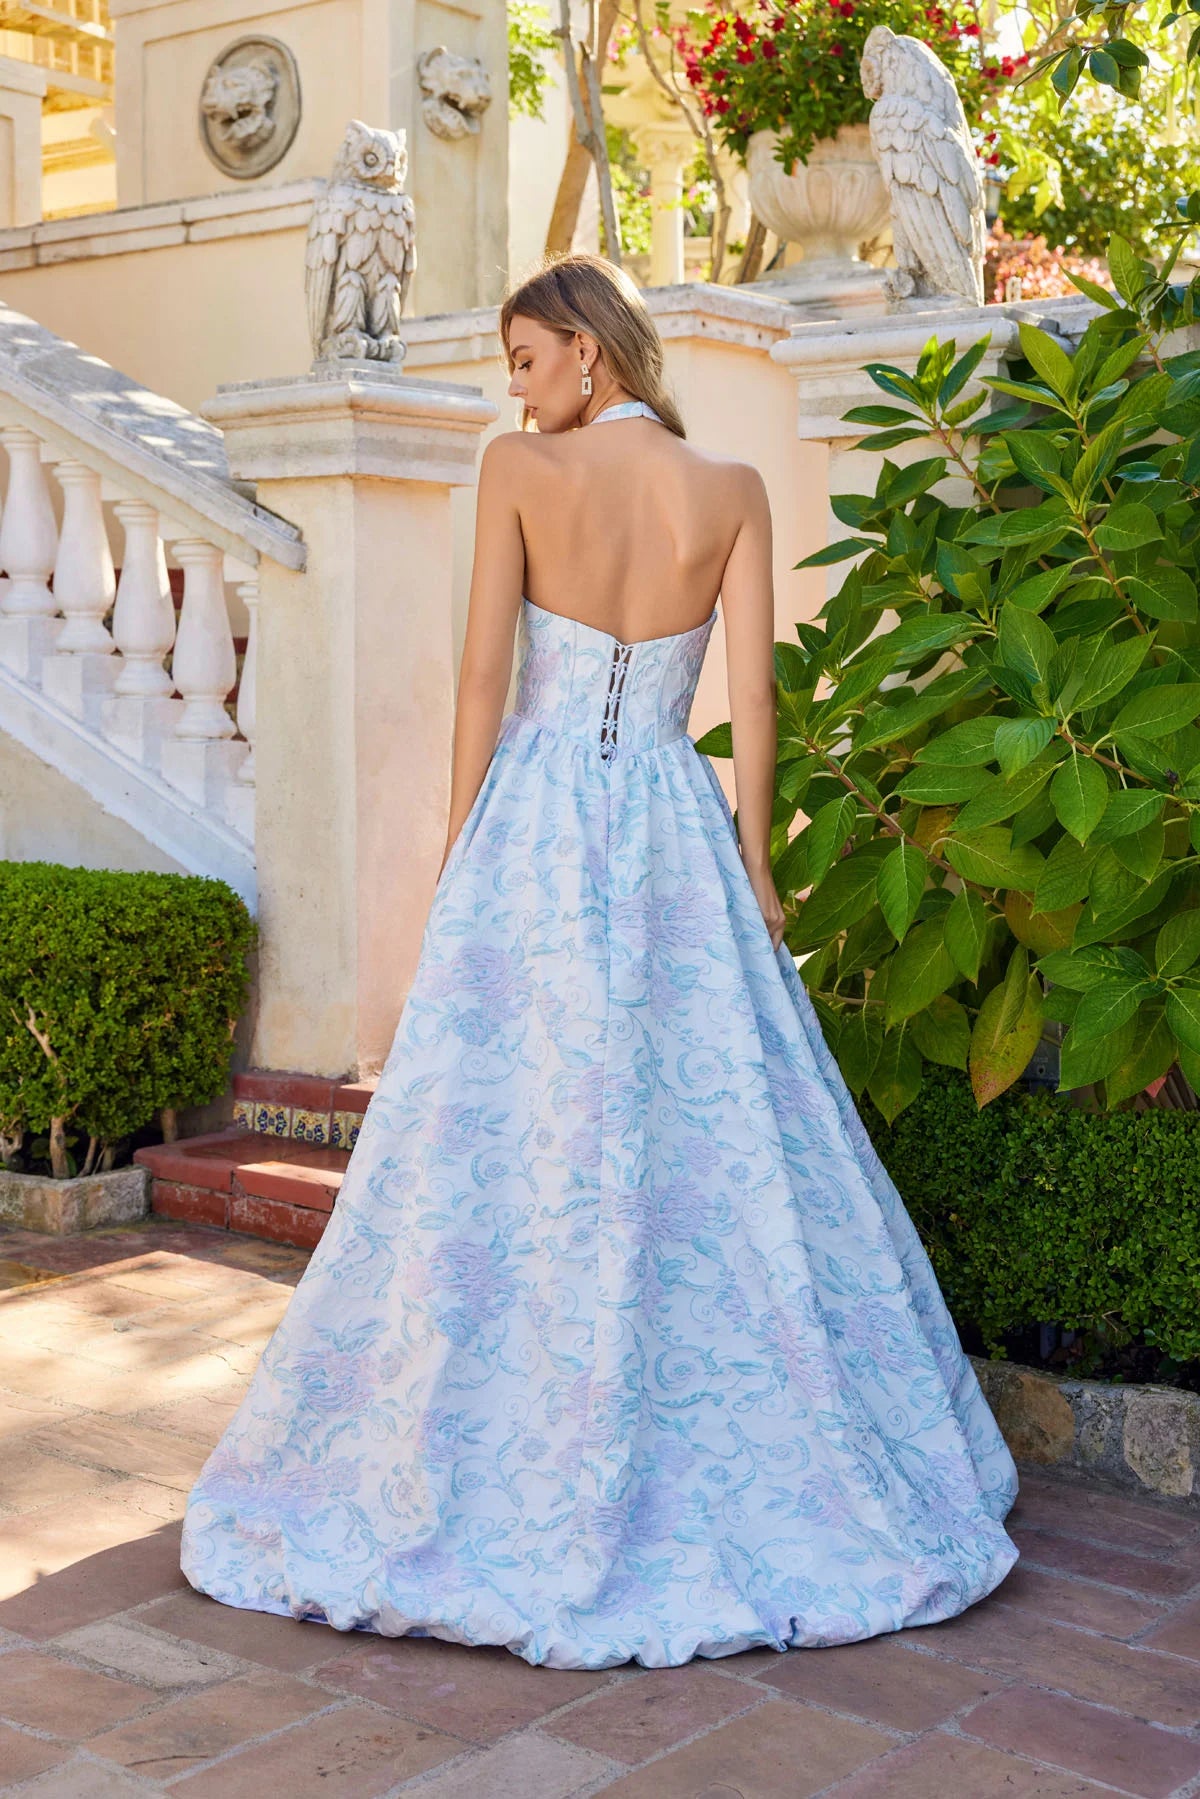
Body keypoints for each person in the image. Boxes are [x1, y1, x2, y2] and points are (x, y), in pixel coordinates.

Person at [179, 251, 1019, 1672]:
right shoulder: (732, 492)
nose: (513, 386)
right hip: (678, 830)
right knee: (711, 1138)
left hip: (542, 830)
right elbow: (748, 699)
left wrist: (456, 854)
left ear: (588, 352)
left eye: (523, 357)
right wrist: (755, 863)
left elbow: (483, 681)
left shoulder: (522, 473)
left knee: (507, 1131)